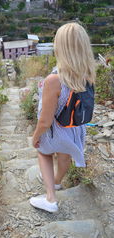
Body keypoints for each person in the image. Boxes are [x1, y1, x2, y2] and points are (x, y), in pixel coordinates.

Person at [30, 22, 96, 213]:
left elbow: (45, 120)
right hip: (75, 130)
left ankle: (50, 198)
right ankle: (57, 182)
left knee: (43, 153)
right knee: (64, 155)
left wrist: (35, 137)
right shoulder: (88, 74)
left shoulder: (55, 80)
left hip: (55, 131)